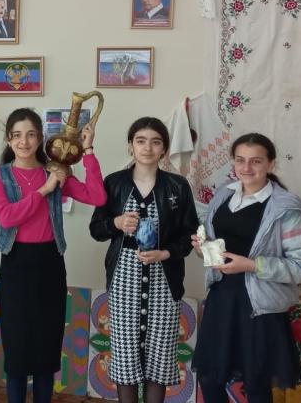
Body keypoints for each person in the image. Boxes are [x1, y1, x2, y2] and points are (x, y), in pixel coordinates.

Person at [0, 108, 107, 403]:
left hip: (50, 265)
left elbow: (98, 197)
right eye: (17, 135)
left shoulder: (56, 171)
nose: (24, 142)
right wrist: (44, 190)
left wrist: (88, 150)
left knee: (46, 348)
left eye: (31, 135)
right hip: (16, 265)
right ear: (8, 139)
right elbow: (6, 217)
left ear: (40, 138)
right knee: (17, 350)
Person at [190, 133, 301, 403]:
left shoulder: (285, 209)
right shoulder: (224, 196)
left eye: (256, 161)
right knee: (210, 379)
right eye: (240, 160)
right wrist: (203, 249)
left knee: (256, 385)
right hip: (222, 299)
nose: (246, 168)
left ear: (271, 164)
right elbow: (216, 248)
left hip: (259, 307)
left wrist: (251, 265)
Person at [89, 118, 198, 403]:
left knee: (159, 362)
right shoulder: (114, 183)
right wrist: (116, 222)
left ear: (164, 149)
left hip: (165, 282)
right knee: (125, 361)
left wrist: (166, 253)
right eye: (140, 141)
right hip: (124, 282)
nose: (147, 148)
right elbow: (96, 229)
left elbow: (190, 234)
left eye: (155, 142)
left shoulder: (177, 186)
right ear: (130, 146)